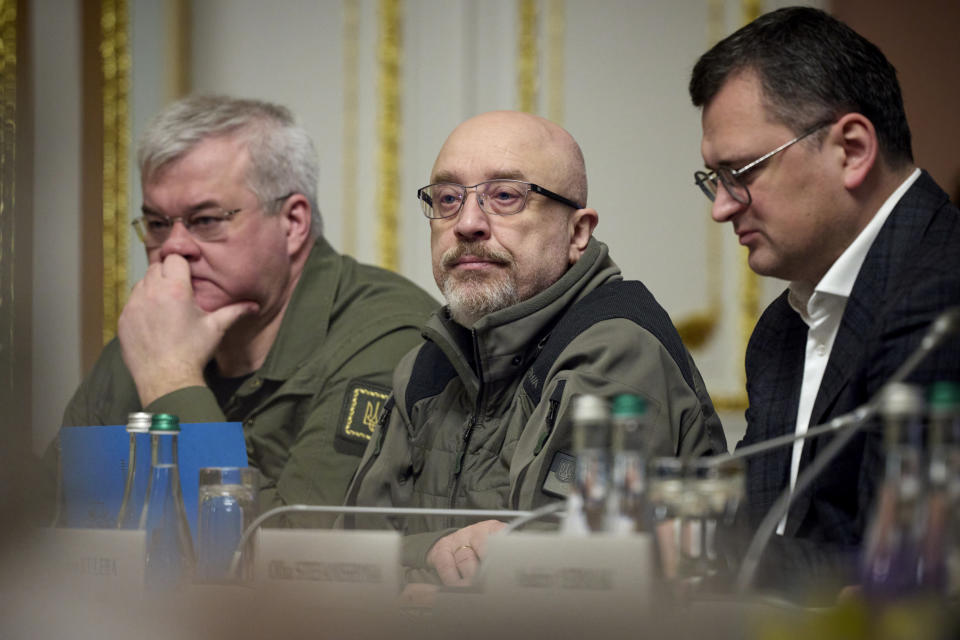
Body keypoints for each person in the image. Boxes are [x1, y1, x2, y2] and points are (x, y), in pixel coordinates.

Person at [345, 110, 727, 585]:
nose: (467, 223)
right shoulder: (428, 360)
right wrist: (437, 562)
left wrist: (419, 575)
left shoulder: (614, 350)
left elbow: (558, 582)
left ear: (578, 232)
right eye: (447, 198)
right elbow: (353, 556)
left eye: (505, 196)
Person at [59, 95, 438, 518]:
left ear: (293, 222)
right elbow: (42, 524)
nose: (173, 249)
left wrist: (169, 379)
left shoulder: (384, 335)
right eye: (157, 224)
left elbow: (296, 556)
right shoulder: (153, 331)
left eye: (206, 220)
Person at [689, 7, 960, 594]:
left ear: (853, 149)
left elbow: (906, 574)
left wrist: (690, 548)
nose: (722, 206)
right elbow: (759, 524)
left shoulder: (943, 300)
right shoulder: (782, 326)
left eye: (741, 172)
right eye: (713, 179)